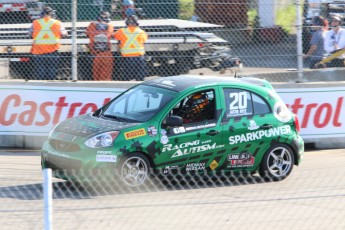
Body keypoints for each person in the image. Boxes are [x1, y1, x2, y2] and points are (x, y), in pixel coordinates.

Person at [30, 6, 67, 80]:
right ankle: (51, 84)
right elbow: (64, 34)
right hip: (53, 49)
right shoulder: (57, 23)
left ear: (42, 14)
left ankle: (40, 84)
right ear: (52, 13)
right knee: (52, 68)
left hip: (39, 50)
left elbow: (29, 33)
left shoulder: (35, 22)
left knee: (40, 69)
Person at [114, 15, 148, 81]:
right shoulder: (141, 32)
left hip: (127, 57)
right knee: (140, 76)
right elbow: (144, 40)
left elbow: (116, 37)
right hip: (139, 57)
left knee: (127, 76)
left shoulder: (121, 31)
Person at [86, 11, 114, 81]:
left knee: (96, 76)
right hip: (106, 53)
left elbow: (87, 33)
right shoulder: (110, 26)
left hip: (95, 54)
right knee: (105, 77)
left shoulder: (92, 25)